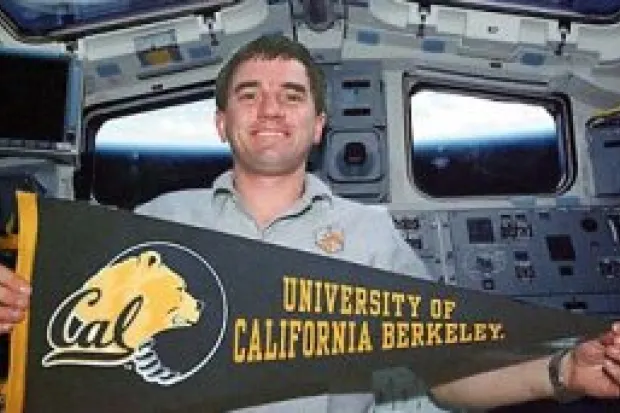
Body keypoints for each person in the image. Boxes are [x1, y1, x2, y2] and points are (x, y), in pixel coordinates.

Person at [1, 34, 619, 412]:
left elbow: (449, 378)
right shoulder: (154, 224)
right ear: (222, 123)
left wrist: (563, 372)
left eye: (292, 95)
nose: (270, 107)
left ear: (319, 126)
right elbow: (66, 351)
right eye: (248, 93)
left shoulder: (372, 236)